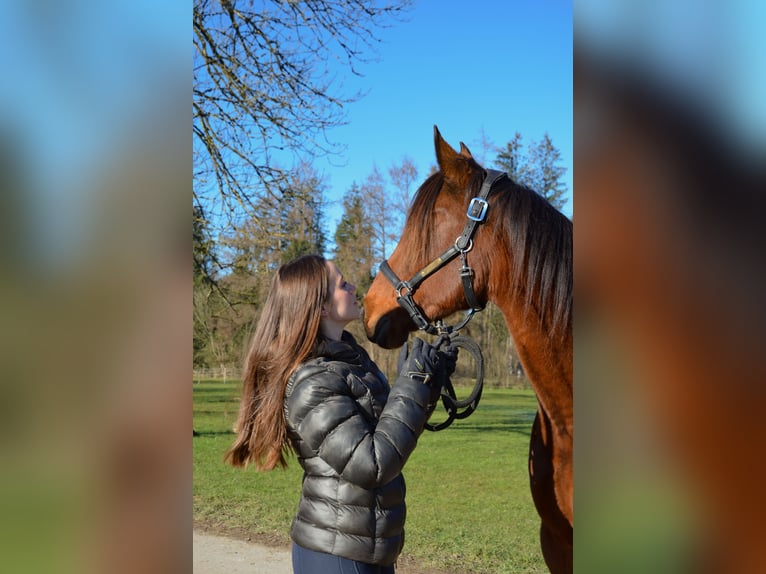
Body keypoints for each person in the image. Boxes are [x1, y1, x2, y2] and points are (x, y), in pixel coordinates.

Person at [225, 254, 457, 574]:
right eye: (342, 283)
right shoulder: (311, 381)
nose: (353, 287)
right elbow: (372, 463)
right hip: (336, 556)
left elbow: (389, 430)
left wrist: (429, 382)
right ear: (320, 307)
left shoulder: (351, 361)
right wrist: (413, 384)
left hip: (366, 549)